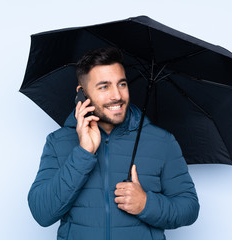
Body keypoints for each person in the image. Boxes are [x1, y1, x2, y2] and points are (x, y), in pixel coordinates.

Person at [28, 47, 199, 240]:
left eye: (122, 84)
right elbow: (42, 213)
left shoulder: (162, 141)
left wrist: (146, 204)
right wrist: (84, 153)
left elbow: (189, 207)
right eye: (104, 87)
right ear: (82, 93)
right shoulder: (58, 142)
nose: (117, 95)